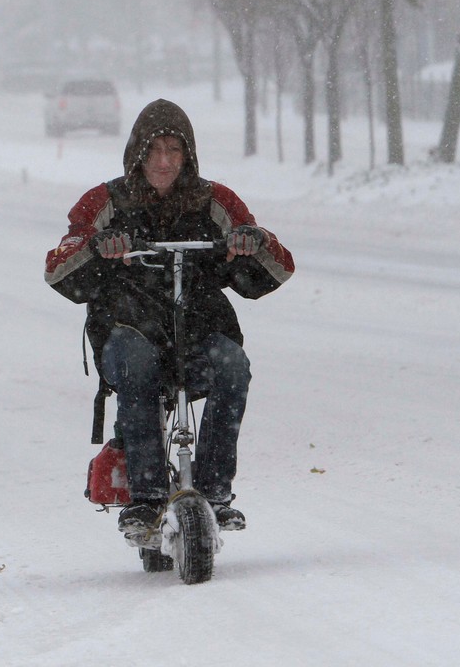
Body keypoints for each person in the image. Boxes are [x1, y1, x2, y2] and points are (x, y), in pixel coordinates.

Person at [44, 99, 294, 535]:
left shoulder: (215, 201)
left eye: (174, 151)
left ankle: (216, 492)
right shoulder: (103, 202)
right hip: (127, 333)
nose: (163, 162)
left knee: (232, 365)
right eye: (154, 150)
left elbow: (275, 269)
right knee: (138, 364)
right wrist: (97, 248)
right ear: (137, 152)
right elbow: (58, 268)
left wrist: (251, 241)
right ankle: (146, 498)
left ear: (188, 155)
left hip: (198, 332)